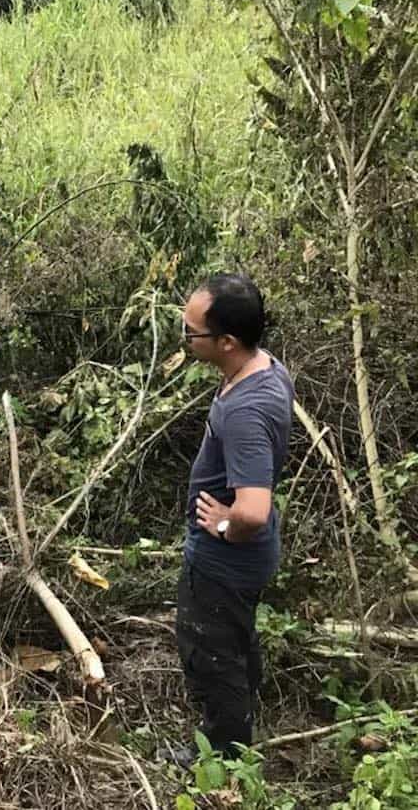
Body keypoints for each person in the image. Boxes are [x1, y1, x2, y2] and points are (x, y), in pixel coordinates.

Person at [165, 273, 294, 764]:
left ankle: (225, 759)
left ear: (227, 342)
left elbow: (254, 511)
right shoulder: (264, 368)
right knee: (233, 641)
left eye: (191, 331)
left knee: (210, 655)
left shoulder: (246, 408)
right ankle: (239, 726)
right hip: (238, 562)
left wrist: (223, 523)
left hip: (224, 561)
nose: (185, 336)